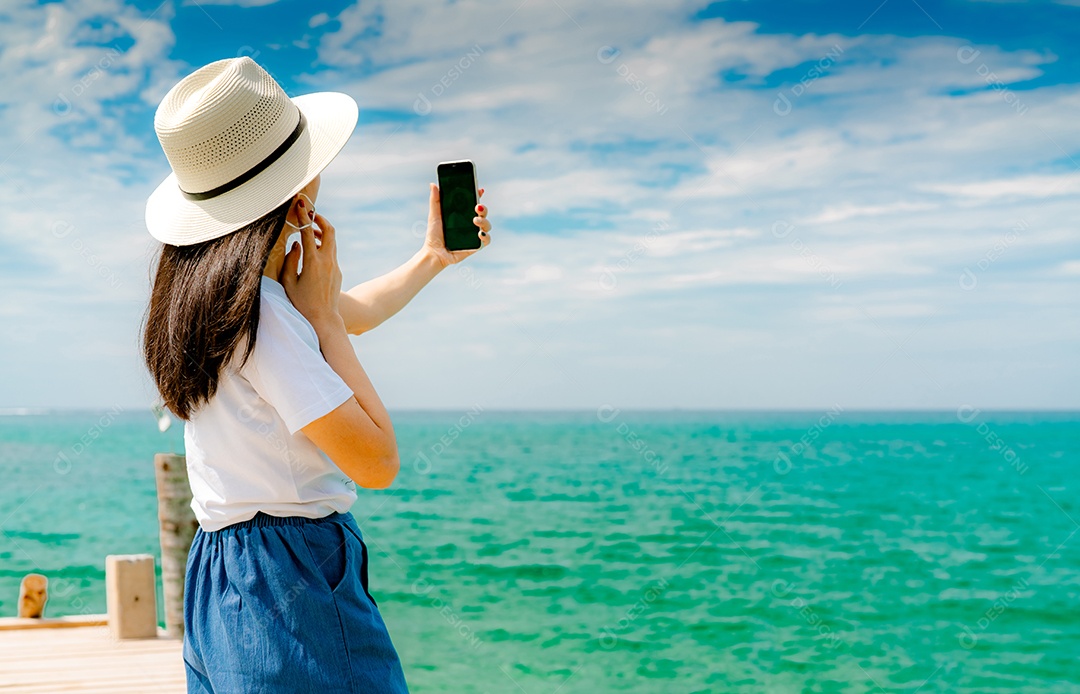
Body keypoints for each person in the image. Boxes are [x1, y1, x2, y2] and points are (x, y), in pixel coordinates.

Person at [140, 56, 491, 693]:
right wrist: (326, 324)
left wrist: (432, 257)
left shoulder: (213, 305)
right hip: (293, 572)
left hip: (219, 571)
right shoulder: (269, 321)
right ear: (298, 187)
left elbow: (352, 311)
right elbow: (378, 462)